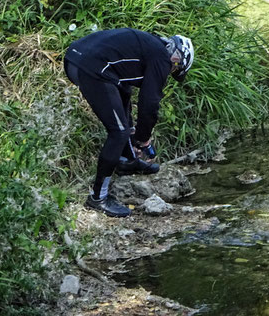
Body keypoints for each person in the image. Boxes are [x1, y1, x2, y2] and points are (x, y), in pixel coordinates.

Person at [64, 28, 194, 217]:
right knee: (118, 132)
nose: (170, 72)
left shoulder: (150, 45)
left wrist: (136, 138)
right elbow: (149, 103)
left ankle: (126, 161)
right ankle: (98, 198)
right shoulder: (161, 58)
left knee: (124, 99)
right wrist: (143, 138)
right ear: (177, 58)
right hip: (91, 68)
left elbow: (127, 90)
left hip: (76, 59)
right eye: (175, 69)